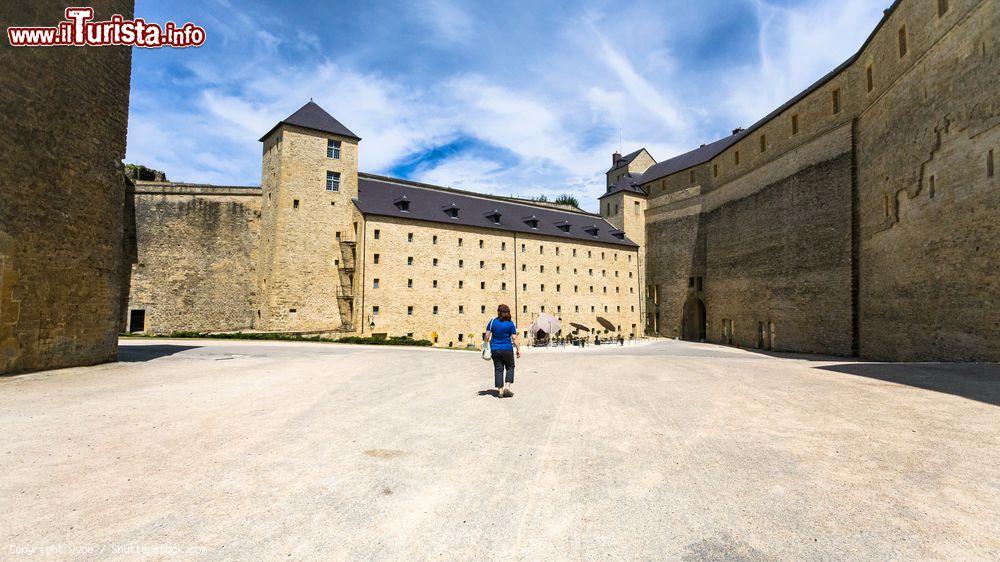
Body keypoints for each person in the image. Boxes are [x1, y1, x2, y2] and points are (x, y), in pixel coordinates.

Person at [484, 304, 520, 398]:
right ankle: (507, 387)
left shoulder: (492, 322)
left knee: (498, 369)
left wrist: (486, 344)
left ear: (499, 312)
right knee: (510, 367)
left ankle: (500, 390)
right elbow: (514, 337)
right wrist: (518, 349)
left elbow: (487, 336)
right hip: (507, 349)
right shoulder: (510, 323)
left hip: (495, 349)